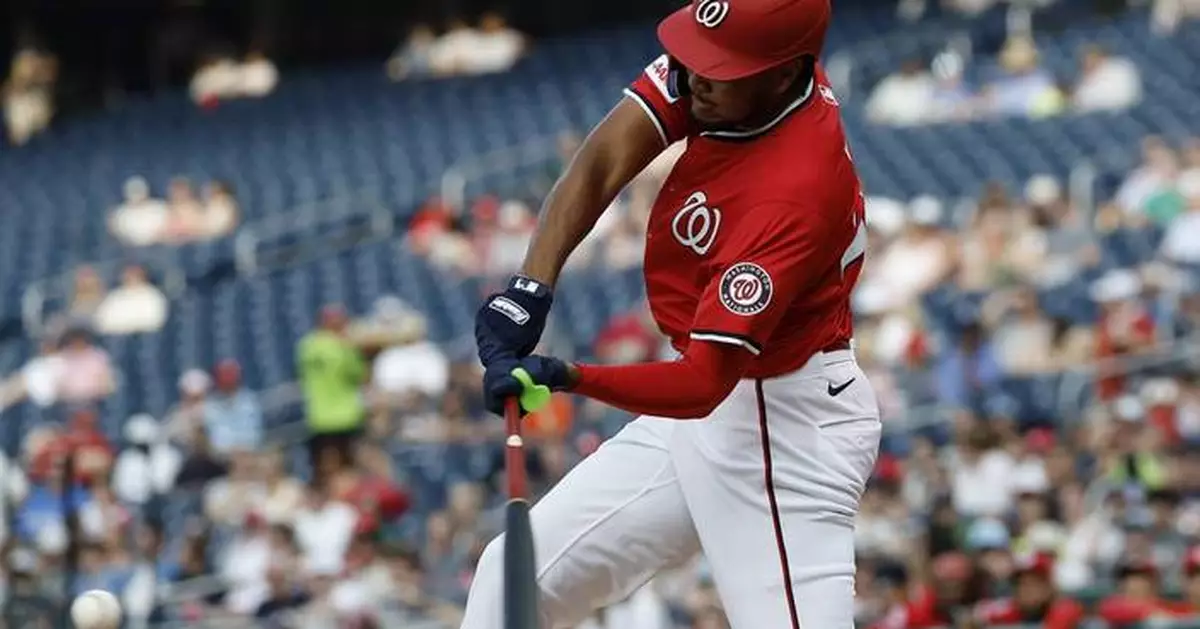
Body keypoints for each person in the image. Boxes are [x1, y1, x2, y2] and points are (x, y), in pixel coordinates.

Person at [464, 0, 879, 627]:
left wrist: (566, 375)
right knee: (511, 582)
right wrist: (531, 288)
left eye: (721, 67)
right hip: (718, 410)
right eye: (696, 55)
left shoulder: (794, 188)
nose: (695, 76)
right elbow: (605, 155)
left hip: (782, 429)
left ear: (787, 71)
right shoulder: (736, 74)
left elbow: (701, 385)